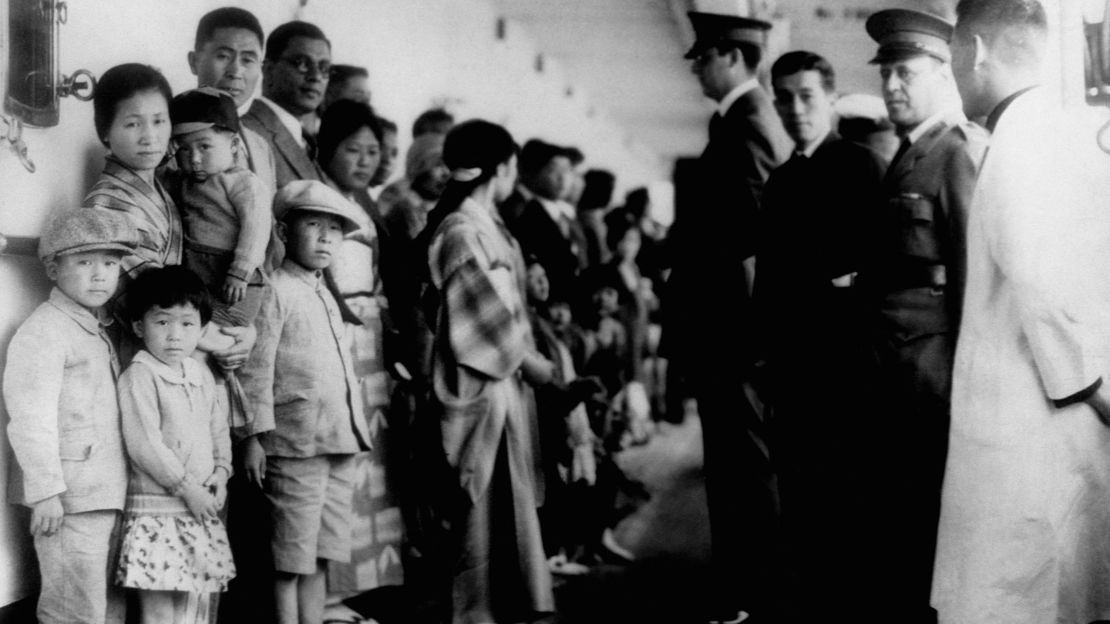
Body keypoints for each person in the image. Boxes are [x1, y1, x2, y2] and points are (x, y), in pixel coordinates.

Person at [933, 1, 1110, 622]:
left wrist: (1090, 388)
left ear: (975, 50)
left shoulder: (1022, 140)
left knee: (1014, 598)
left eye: (952, 49)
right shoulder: (1055, 130)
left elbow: (1043, 282)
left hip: (1029, 421)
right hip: (1043, 421)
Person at [860, 9, 989, 621]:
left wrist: (967, 380)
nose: (892, 87)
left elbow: (973, 277)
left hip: (932, 378)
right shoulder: (907, 155)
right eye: (885, 74)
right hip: (894, 371)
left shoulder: (956, 152)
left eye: (905, 72)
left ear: (943, 74)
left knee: (925, 529)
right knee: (899, 525)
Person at [663, 11, 790, 623]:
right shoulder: (739, 121)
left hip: (732, 328)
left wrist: (681, 252)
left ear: (732, 58)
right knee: (735, 463)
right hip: (726, 325)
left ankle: (751, 594)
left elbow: (753, 230)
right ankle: (744, 588)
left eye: (703, 56)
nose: (696, 66)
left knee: (742, 465)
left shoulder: (748, 123)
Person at [754, 50, 885, 615]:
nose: (795, 109)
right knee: (801, 503)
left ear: (830, 99)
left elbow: (877, 273)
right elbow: (772, 281)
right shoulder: (782, 180)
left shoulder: (859, 167)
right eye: (783, 97)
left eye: (806, 96)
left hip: (844, 372)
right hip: (791, 372)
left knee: (846, 506)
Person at [425, 119, 554, 623]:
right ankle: (475, 614)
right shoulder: (463, 229)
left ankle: (504, 606)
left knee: (504, 504)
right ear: (500, 168)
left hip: (497, 378)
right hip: (482, 377)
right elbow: (488, 325)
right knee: (482, 509)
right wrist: (537, 366)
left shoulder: (479, 223)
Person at [237, 180, 371, 624]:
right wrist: (255, 436)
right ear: (282, 230)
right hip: (294, 443)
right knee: (288, 557)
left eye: (335, 229)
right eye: (313, 225)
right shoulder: (276, 289)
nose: (326, 237)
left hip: (337, 437)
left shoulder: (322, 292)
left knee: (321, 554)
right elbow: (257, 369)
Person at [3, 208, 139, 624]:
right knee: (72, 608)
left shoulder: (99, 327)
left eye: (110, 263)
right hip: (67, 499)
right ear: (52, 267)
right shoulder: (44, 331)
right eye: (84, 262)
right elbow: (30, 417)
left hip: (107, 491)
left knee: (105, 605)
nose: (100, 275)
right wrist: (44, 491)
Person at [315, 99, 406, 608]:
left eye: (373, 150)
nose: (365, 160)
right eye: (353, 149)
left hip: (370, 337)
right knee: (342, 461)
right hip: (339, 335)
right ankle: (333, 591)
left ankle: (367, 581)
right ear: (328, 149)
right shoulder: (319, 200)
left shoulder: (366, 205)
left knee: (376, 459)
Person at [116, 266, 235, 624]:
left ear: (201, 330)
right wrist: (186, 488)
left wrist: (221, 472)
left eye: (186, 324)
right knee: (158, 609)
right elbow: (144, 444)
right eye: (162, 322)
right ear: (139, 326)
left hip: (196, 507)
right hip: (159, 511)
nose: (174, 336)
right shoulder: (140, 375)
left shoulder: (199, 373)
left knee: (190, 603)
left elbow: (218, 428)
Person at [168, 87, 273, 330]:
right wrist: (165, 157)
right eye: (184, 148)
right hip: (200, 273)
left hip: (235, 278)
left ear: (234, 145)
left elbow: (256, 229)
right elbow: (158, 179)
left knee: (225, 328)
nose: (194, 158)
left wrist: (241, 270)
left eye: (204, 147)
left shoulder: (243, 183)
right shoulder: (184, 181)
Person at [187, 6, 278, 193]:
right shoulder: (168, 132)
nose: (236, 72)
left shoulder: (260, 146)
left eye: (247, 60)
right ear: (194, 62)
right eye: (223, 56)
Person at [241, 21, 332, 188]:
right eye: (302, 63)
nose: (316, 76)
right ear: (268, 69)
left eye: (324, 68)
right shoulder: (246, 134)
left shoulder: (308, 142)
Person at [509, 139, 588, 307]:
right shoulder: (526, 211)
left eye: (567, 171)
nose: (562, 179)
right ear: (536, 172)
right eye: (553, 171)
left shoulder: (564, 217)